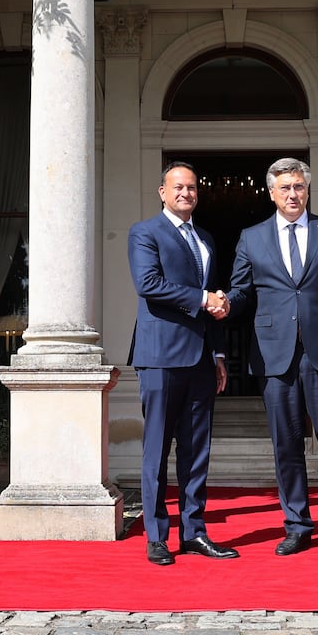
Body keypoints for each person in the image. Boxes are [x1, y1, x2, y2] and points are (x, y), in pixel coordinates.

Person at [227, 157, 318, 556]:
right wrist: (221, 303)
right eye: (285, 188)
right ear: (271, 193)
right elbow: (241, 294)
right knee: (286, 444)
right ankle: (297, 524)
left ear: (308, 190)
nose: (293, 194)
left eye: (299, 187)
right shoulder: (251, 238)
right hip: (275, 357)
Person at [127, 161, 239, 566]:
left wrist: (219, 353)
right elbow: (149, 285)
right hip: (160, 357)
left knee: (196, 451)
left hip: (202, 359)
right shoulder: (145, 233)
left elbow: (211, 300)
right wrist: (203, 299)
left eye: (191, 188)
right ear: (162, 191)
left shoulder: (205, 238)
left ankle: (194, 531)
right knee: (156, 449)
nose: (185, 193)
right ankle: (157, 536)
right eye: (177, 187)